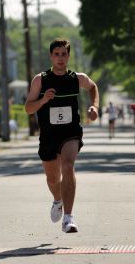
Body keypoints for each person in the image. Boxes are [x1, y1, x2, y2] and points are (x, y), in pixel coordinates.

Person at [25, 38, 99, 233]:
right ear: (51, 56)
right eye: (56, 54)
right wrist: (43, 100)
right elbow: (28, 108)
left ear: (68, 56)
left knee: (67, 167)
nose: (60, 58)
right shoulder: (40, 80)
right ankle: (58, 200)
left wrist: (94, 106)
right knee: (52, 179)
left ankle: (68, 217)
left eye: (63, 54)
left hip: (70, 132)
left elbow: (93, 87)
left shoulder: (77, 78)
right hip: (49, 134)